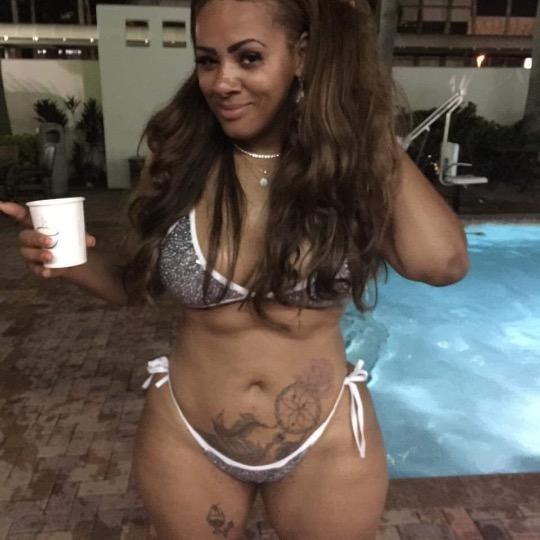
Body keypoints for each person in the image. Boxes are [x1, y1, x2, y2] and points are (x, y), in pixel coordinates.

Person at [0, 0, 469, 538]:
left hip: (326, 436)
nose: (222, 82)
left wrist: (358, 124)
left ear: (302, 55)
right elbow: (135, 284)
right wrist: (67, 260)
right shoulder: (181, 157)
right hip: (188, 433)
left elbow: (442, 263)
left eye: (248, 58)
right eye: (207, 60)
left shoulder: (346, 168)